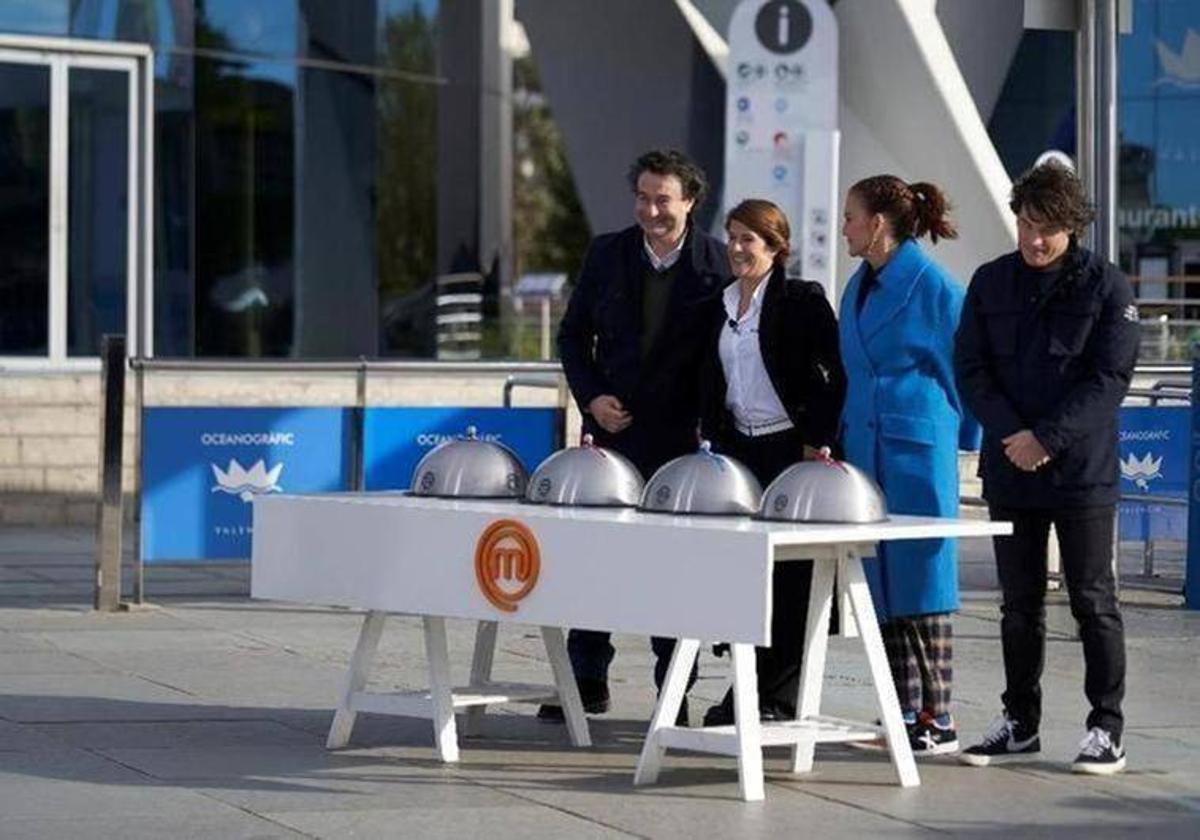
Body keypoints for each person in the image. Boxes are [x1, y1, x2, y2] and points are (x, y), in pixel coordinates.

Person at [954, 161, 1138, 775]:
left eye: (1048, 229)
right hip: (1012, 467)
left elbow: (1108, 379)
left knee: (1092, 599)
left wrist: (1048, 439)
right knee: (1018, 605)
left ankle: (1105, 727)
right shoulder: (989, 282)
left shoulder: (1106, 287)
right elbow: (971, 368)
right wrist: (1013, 436)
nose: (1035, 240)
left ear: (1072, 227)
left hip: (1080, 473)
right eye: (1027, 225)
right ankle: (1018, 722)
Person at [544, 149, 729, 724]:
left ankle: (673, 692)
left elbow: (726, 356)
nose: (652, 210)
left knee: (674, 567)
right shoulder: (607, 253)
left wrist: (708, 422)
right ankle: (586, 678)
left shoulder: (718, 263)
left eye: (663, 199)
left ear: (690, 202)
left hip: (682, 442)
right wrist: (592, 397)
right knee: (593, 557)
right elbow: (573, 337)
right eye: (644, 198)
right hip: (610, 435)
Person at [838, 175, 979, 756]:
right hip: (866, 447)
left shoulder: (934, 286)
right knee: (884, 580)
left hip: (916, 445)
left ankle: (938, 715)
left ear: (877, 223)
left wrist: (963, 440)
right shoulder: (859, 284)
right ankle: (900, 711)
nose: (843, 225)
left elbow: (964, 369)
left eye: (851, 216)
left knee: (924, 574)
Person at [696, 199, 845, 727]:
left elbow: (831, 378)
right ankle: (746, 684)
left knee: (791, 579)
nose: (737, 248)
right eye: (733, 237)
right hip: (739, 450)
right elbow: (712, 378)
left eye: (749, 240)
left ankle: (776, 696)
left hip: (790, 448)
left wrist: (817, 440)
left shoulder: (803, 301)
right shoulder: (718, 302)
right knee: (744, 576)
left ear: (777, 249)